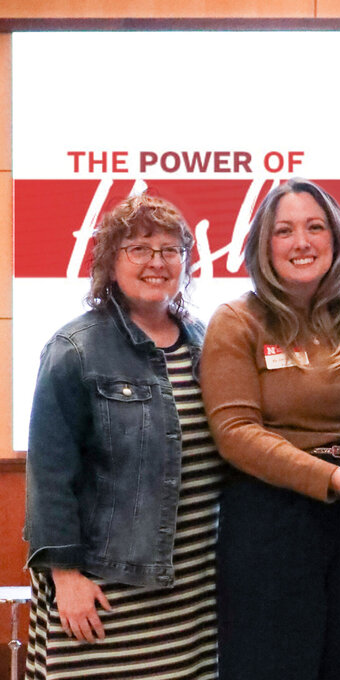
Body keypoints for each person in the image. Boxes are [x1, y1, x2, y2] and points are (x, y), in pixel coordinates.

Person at [200, 178, 340, 680]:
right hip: (273, 520)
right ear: (264, 244)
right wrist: (331, 478)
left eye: (315, 227)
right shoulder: (237, 321)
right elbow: (235, 432)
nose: (302, 242)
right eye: (284, 230)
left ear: (337, 238)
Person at [24, 193, 225, 679]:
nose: (156, 262)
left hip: (193, 597)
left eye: (170, 250)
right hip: (105, 593)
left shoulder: (207, 343)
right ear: (110, 262)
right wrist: (65, 576)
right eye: (138, 248)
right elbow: (50, 474)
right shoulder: (74, 350)